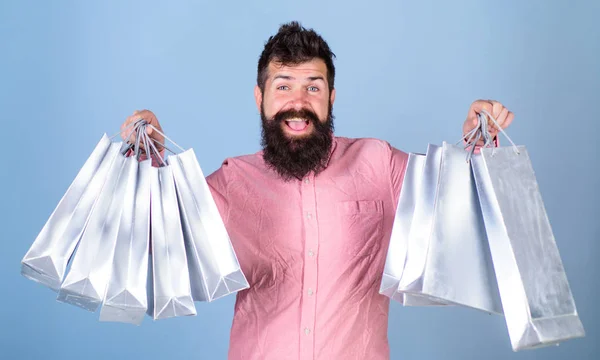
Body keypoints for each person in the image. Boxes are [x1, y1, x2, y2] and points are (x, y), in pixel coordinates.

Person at [121, 21, 514, 360]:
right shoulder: (232, 181)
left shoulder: (379, 164)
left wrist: (478, 143)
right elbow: (160, 240)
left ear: (331, 97)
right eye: (283, 86)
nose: (298, 102)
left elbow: (458, 214)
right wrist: (148, 162)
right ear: (260, 98)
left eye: (313, 87)